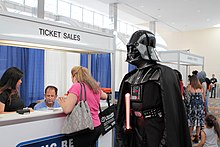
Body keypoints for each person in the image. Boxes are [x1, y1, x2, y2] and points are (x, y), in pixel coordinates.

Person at [115, 30, 191, 147]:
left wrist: (165, 140)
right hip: (135, 130)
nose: (131, 52)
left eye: (134, 48)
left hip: (155, 129)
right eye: (130, 48)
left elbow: (171, 112)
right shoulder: (130, 77)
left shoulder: (164, 74)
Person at [58, 66, 107, 147]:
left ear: (74, 76)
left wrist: (62, 103)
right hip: (97, 126)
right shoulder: (94, 86)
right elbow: (105, 96)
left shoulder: (76, 86)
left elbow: (67, 109)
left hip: (84, 128)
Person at [187, 75, 205, 143]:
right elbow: (203, 99)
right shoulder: (201, 88)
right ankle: (197, 136)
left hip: (192, 107)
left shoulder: (189, 87)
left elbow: (187, 99)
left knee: (191, 122)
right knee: (198, 122)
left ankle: (189, 136)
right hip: (200, 107)